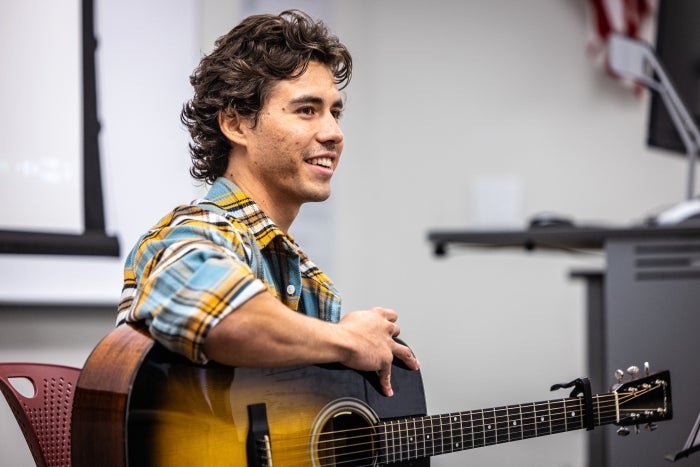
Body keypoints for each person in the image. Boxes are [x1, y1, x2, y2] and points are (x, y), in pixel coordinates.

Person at [116, 9, 419, 397]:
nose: (334, 133)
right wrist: (349, 340)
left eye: (335, 112)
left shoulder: (307, 280)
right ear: (236, 124)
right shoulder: (196, 232)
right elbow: (223, 317)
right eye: (307, 110)